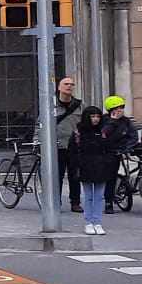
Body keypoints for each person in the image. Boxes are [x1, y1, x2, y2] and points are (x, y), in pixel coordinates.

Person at [74, 105, 120, 235]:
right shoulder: (80, 131)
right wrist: (77, 166)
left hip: (101, 166)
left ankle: (97, 222)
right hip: (86, 166)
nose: (96, 119)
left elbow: (109, 146)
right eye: (93, 116)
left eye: (98, 116)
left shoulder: (103, 131)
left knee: (99, 196)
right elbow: (75, 150)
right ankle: (88, 222)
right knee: (88, 196)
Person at [53, 75, 84, 213]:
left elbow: (86, 123)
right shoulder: (51, 105)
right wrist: (38, 139)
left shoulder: (79, 106)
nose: (69, 86)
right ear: (59, 87)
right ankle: (55, 202)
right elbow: (40, 124)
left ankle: (75, 202)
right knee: (56, 176)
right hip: (57, 146)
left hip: (74, 147)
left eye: (72, 84)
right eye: (66, 84)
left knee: (75, 175)